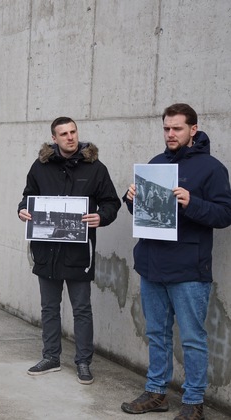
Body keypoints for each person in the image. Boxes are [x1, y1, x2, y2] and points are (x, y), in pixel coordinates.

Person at [121, 104, 231, 420]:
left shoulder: (211, 168)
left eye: (177, 128)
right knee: (157, 333)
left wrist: (192, 202)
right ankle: (157, 392)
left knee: (193, 338)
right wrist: (131, 198)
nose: (170, 134)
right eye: (167, 128)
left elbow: (225, 214)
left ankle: (194, 403)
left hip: (189, 269)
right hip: (152, 264)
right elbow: (143, 215)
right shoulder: (155, 164)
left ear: (193, 129)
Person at [17, 117, 120, 384]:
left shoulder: (95, 168)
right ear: (54, 138)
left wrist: (102, 216)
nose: (70, 137)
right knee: (49, 308)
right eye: (63, 133)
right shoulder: (39, 167)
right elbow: (28, 196)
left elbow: (111, 201)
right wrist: (22, 210)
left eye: (73, 132)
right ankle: (51, 357)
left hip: (78, 254)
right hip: (46, 251)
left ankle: (83, 361)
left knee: (82, 309)